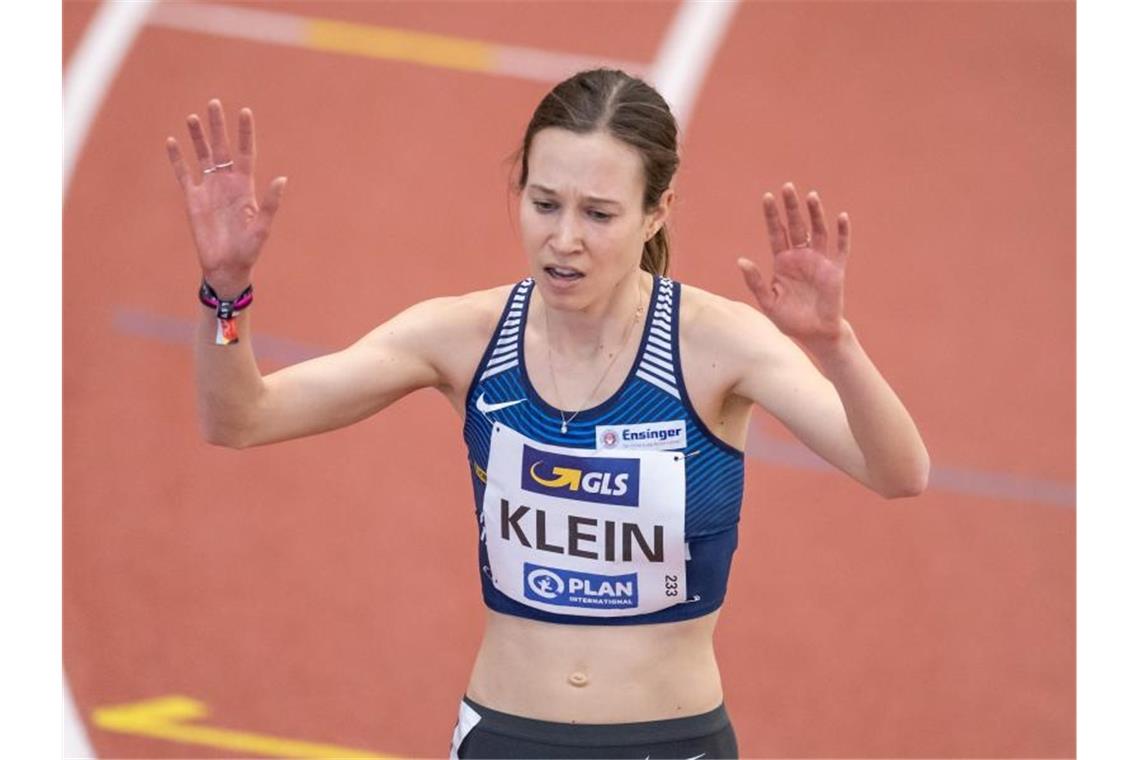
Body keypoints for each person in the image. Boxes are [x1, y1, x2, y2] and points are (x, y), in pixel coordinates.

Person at [166, 68, 929, 759]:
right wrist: (225, 293)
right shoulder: (462, 336)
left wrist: (836, 347)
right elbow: (241, 417)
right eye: (544, 204)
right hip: (507, 735)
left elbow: (899, 473)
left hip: (672, 740)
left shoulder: (716, 345)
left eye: (599, 213)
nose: (564, 240)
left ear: (657, 212)